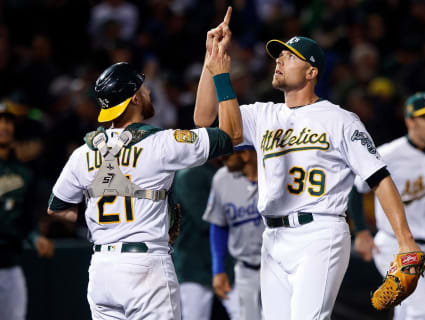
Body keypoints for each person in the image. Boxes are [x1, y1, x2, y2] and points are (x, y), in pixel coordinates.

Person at [194, 7, 422, 320]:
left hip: (320, 232)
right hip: (272, 237)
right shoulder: (263, 115)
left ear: (312, 71)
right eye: (278, 56)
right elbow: (204, 119)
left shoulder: (340, 120)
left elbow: (379, 178)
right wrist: (211, 62)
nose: (279, 60)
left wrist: (405, 240)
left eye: (289, 56)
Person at [47, 61, 240, 320]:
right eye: (146, 88)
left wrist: (104, 214)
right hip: (145, 268)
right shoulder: (160, 145)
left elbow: (57, 208)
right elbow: (231, 135)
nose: (150, 93)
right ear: (135, 98)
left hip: (102, 271)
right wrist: (221, 76)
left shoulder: (83, 154)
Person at [349, 92, 425, 320]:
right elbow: (355, 189)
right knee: (424, 309)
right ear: (409, 121)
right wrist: (361, 231)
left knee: (406, 312)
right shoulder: (390, 154)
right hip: (396, 246)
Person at [0, 104, 54, 320]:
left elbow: (24, 220)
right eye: (1, 120)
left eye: (9, 121)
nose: (4, 126)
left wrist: (34, 236)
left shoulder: (25, 173)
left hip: (10, 265)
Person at [172, 159, 240, 320]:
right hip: (194, 263)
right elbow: (206, 219)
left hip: (225, 263)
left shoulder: (222, 172)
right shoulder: (190, 174)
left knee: (245, 313)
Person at [203, 146, 263, 320]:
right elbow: (219, 225)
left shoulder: (274, 173)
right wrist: (218, 270)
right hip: (245, 268)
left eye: (227, 155)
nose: (221, 159)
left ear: (244, 154)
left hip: (278, 267)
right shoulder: (222, 179)